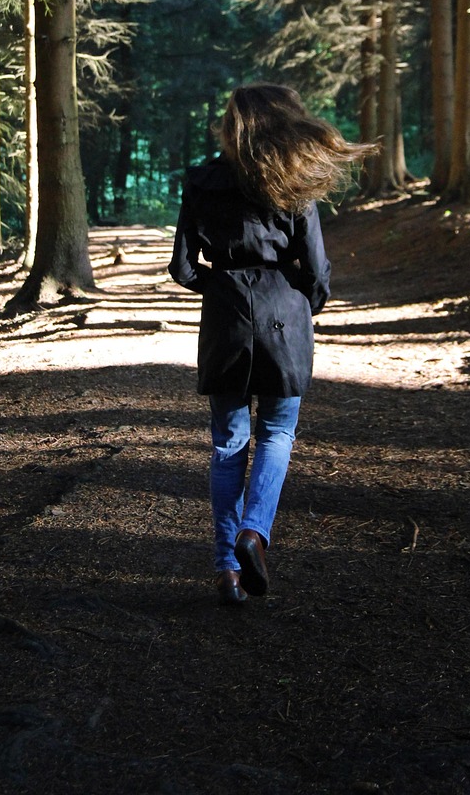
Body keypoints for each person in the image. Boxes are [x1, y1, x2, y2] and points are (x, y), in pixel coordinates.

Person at [168, 83, 372, 605]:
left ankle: (226, 571)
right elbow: (318, 270)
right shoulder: (296, 181)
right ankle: (254, 533)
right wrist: (302, 305)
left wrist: (219, 288)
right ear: (285, 121)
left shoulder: (201, 180)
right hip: (286, 314)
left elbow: (183, 267)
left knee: (228, 444)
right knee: (277, 434)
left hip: (225, 318)